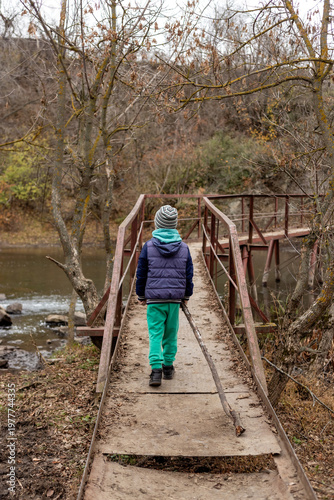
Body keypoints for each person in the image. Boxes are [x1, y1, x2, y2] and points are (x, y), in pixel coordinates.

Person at [136, 205, 194, 387]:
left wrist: (141, 294)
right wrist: (186, 295)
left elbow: (142, 273)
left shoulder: (148, 246)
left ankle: (155, 372)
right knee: (171, 333)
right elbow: (188, 274)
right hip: (174, 300)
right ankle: (168, 367)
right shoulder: (184, 248)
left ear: (157, 224)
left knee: (155, 334)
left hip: (154, 299)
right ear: (174, 225)